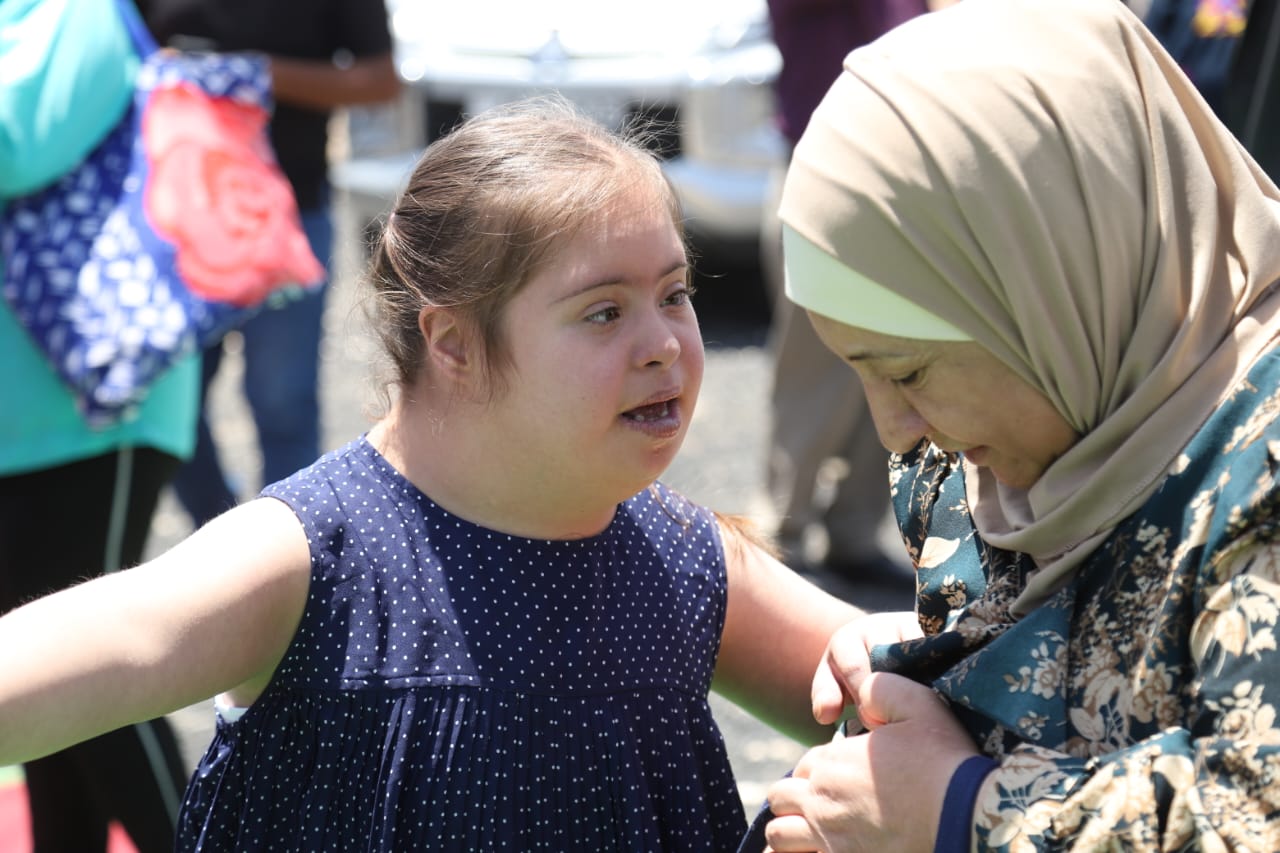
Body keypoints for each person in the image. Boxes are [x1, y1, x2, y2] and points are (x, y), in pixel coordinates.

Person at [0, 98, 867, 851]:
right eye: (604, 311)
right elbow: (110, 644)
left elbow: (904, 684)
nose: (664, 345)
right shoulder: (314, 556)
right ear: (452, 341)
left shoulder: (682, 556)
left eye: (674, 294)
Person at [744, 0, 1280, 849]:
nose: (894, 433)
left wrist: (965, 809)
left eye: (909, 370)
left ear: (1053, 288)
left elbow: (1258, 808)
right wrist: (933, 666)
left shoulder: (1263, 457)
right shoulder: (978, 464)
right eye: (860, 374)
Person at [0, 0, 199, 850]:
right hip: (24, 422)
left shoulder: (77, 12)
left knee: (94, 666)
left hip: (100, 411)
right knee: (40, 684)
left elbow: (16, 145)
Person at [134, 0, 402, 527]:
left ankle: (294, 556)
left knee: (284, 408)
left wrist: (258, 74)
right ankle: (226, 542)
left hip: (293, 214)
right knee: (166, 407)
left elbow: (379, 80)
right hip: (172, 219)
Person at [760, 0, 925, 591]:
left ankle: (854, 530)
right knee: (814, 363)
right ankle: (782, 530)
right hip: (825, 167)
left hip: (902, 171)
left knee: (897, 362)